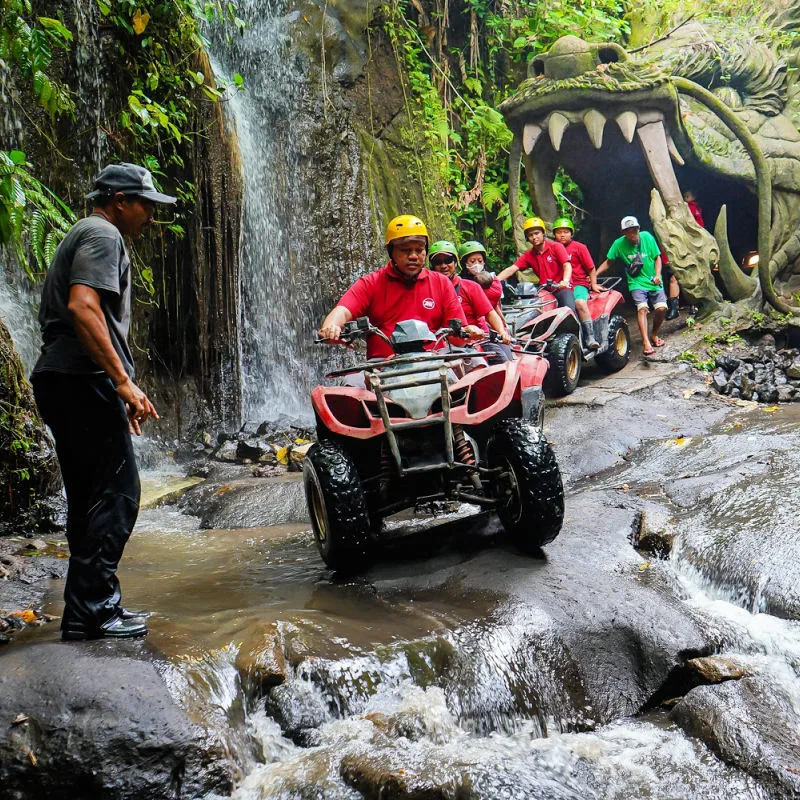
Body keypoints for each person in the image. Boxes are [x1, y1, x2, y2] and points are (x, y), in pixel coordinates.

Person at [31, 163, 175, 640]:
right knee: (119, 494)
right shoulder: (102, 234)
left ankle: (82, 612)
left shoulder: (85, 231)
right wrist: (121, 383)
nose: (150, 216)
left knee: (88, 499)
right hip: (82, 378)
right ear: (118, 200)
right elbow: (83, 305)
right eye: (145, 206)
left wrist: (121, 385)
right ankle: (96, 609)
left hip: (60, 378)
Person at [317, 215, 482, 356]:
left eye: (419, 250)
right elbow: (344, 310)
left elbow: (456, 338)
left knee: (467, 384)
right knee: (347, 387)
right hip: (382, 370)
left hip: (434, 365)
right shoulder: (371, 283)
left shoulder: (441, 283)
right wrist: (330, 327)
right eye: (405, 250)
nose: (413, 256)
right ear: (391, 252)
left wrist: (468, 332)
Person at [429, 240, 512, 364]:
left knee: (504, 366)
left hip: (477, 340)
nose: (443, 266)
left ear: (455, 263)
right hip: (442, 344)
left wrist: (502, 332)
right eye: (438, 262)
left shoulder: (470, 286)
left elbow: (489, 313)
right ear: (432, 266)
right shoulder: (428, 290)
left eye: (448, 261)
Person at [597, 215, 666, 356]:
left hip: (653, 279)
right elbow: (609, 262)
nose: (631, 234)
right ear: (624, 233)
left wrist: (658, 274)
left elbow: (657, 257)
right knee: (642, 308)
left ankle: (654, 334)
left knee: (661, 309)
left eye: (634, 230)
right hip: (636, 281)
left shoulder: (647, 237)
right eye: (628, 231)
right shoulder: (618, 244)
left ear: (638, 229)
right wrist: (595, 274)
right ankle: (646, 343)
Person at [496, 217, 576, 313]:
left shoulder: (556, 247)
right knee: (531, 309)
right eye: (530, 235)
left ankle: (577, 327)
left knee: (569, 310)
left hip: (561, 288)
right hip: (544, 290)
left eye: (536, 233)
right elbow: (512, 269)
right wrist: (494, 280)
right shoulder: (529, 255)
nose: (534, 237)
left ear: (543, 233)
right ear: (527, 238)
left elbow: (567, 265)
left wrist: (565, 281)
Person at [551, 217, 604, 353]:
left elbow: (591, 268)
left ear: (571, 233)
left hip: (578, 283)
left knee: (579, 302)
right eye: (559, 232)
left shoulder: (579, 248)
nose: (562, 235)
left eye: (566, 232)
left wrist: (593, 284)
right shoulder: (551, 249)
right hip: (560, 286)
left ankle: (589, 337)